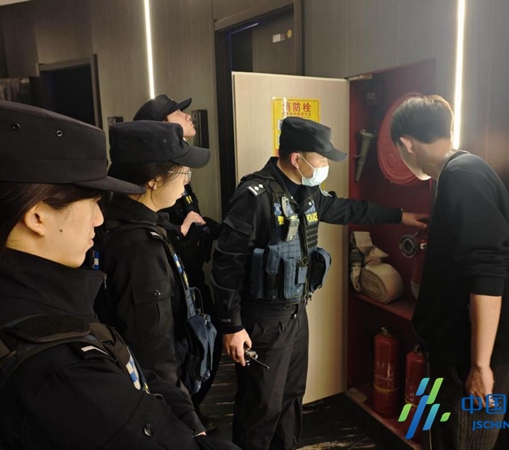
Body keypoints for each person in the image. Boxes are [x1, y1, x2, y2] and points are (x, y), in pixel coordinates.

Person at [0, 100, 240, 449]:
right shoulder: (61, 368)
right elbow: (151, 352)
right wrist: (188, 426)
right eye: (91, 203)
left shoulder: (45, 302)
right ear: (38, 217)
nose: (99, 218)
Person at [212, 116, 429, 450]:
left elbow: (349, 210)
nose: (325, 165)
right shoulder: (255, 196)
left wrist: (399, 216)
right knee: (261, 406)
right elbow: (227, 263)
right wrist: (232, 325)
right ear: (297, 159)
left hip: (296, 314)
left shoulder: (308, 192)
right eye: (322, 159)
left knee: (291, 398)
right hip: (263, 321)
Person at [390, 94, 509, 450]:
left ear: (406, 143)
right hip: (448, 353)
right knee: (440, 438)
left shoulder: (463, 176)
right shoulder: (456, 173)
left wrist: (480, 366)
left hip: (466, 362)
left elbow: (488, 273)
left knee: (461, 442)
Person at [134, 95, 222, 430]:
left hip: (190, 276)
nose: (188, 116)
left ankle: (191, 413)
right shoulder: (138, 236)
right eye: (178, 113)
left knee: (202, 348)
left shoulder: (176, 171)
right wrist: (180, 233)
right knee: (177, 357)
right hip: (171, 281)